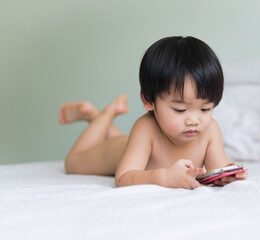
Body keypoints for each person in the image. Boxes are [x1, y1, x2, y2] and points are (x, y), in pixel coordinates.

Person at [59, 36, 248, 189]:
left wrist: (227, 175)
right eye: (180, 110)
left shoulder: (210, 130)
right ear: (148, 101)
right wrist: (164, 177)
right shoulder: (145, 127)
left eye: (206, 108)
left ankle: (103, 118)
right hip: (115, 151)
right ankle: (100, 116)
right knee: (72, 163)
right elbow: (123, 178)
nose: (194, 120)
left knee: (128, 142)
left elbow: (215, 171)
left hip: (133, 146)